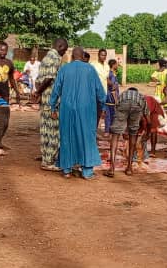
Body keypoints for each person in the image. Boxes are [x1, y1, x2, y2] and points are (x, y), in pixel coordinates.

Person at [48, 47, 107, 180]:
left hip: (66, 108)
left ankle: (67, 170)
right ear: (82, 56)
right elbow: (100, 90)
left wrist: (52, 107)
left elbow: (56, 89)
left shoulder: (64, 69)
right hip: (86, 109)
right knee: (87, 137)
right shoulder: (90, 69)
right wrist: (103, 105)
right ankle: (87, 171)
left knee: (67, 136)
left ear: (72, 56)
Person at [34, 38, 68, 171]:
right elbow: (49, 78)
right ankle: (49, 161)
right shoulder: (55, 59)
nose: (64, 52)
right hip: (52, 101)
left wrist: (38, 92)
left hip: (44, 100)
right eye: (64, 50)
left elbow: (39, 79)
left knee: (45, 130)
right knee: (54, 132)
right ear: (60, 46)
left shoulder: (45, 58)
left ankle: (45, 157)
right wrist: (38, 92)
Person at [106, 87, 146, 177]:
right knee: (133, 135)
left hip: (122, 104)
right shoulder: (141, 96)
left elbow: (117, 110)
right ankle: (129, 168)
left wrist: (121, 129)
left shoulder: (123, 94)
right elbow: (147, 117)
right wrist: (146, 133)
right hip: (137, 105)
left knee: (115, 135)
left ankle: (112, 168)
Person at [138, 94, 164, 161]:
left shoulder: (145, 108)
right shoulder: (136, 107)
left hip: (154, 111)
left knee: (153, 130)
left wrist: (147, 133)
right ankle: (142, 150)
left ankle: (153, 151)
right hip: (146, 111)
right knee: (141, 131)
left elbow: (148, 123)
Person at [104, 59, 121, 133]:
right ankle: (109, 131)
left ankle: (108, 131)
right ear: (113, 65)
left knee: (109, 115)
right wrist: (116, 99)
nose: (117, 66)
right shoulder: (111, 75)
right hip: (111, 98)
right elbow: (113, 88)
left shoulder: (112, 74)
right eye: (116, 64)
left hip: (109, 97)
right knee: (111, 115)